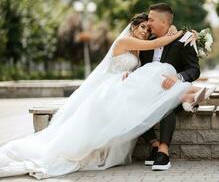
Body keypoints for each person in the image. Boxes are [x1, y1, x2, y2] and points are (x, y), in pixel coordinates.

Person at [0, 12, 205, 179]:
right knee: (145, 85)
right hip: (110, 87)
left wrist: (189, 37)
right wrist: (182, 33)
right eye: (143, 27)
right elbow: (154, 45)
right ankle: (189, 96)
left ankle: (179, 109)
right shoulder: (125, 42)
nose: (146, 31)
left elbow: (147, 67)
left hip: (125, 85)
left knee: (145, 90)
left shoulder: (138, 50)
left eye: (148, 28)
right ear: (133, 26)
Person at [140, 3, 200, 171]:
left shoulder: (183, 40)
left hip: (173, 92)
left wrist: (177, 77)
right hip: (149, 93)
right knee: (133, 103)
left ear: (164, 22)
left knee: (167, 103)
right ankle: (154, 145)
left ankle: (164, 153)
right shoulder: (147, 44)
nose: (148, 22)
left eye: (151, 19)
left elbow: (194, 70)